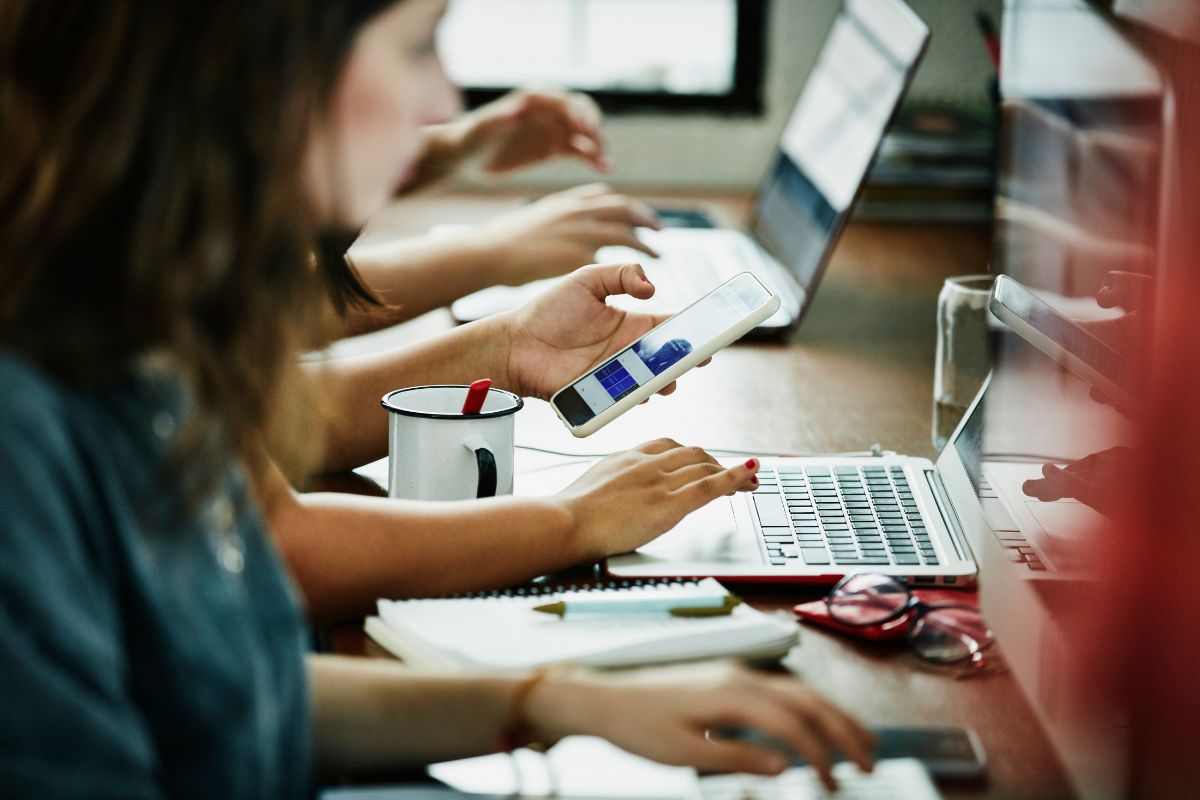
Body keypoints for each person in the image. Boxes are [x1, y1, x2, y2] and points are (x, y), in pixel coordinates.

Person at [0, 1, 876, 796]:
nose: (443, 103)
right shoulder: (35, 408)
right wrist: (568, 524)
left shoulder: (123, 317)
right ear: (261, 64)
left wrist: (559, 702)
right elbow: (278, 562)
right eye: (418, 46)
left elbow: (235, 685)